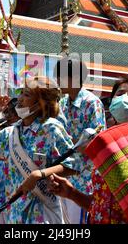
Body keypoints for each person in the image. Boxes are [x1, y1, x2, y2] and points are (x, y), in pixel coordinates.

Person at [49, 75, 128, 224]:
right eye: (119, 94)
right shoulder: (102, 145)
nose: (124, 98)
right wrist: (71, 193)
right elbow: (100, 206)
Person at [0, 76, 77, 224]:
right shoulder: (10, 133)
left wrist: (40, 174)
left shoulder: (51, 129)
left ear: (40, 104)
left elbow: (73, 166)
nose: (19, 99)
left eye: (26, 94)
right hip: (13, 215)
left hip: (42, 213)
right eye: (21, 93)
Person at [54, 56, 106, 224]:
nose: (57, 80)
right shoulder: (61, 103)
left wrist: (75, 145)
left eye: (61, 76)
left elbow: (97, 143)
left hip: (83, 180)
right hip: (62, 177)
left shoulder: (92, 103)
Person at [0, 98, 20, 224]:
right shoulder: (4, 131)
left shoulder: (15, 131)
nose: (6, 116)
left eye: (8, 112)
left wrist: (3, 157)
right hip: (1, 189)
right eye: (5, 112)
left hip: (13, 191)